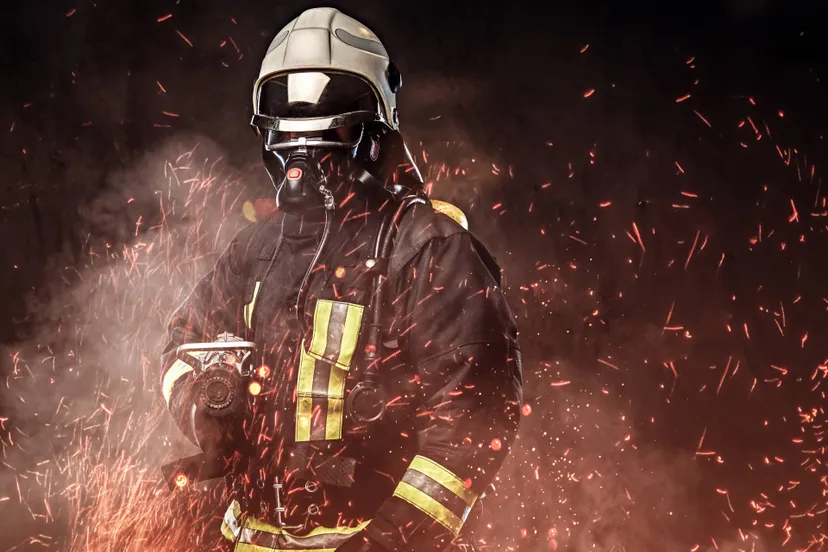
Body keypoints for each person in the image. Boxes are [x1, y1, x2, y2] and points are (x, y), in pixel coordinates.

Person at [159, 7, 523, 552]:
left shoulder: (429, 248)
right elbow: (183, 344)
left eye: (330, 131)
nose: (305, 157)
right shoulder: (257, 248)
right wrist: (208, 412)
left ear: (374, 133)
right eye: (291, 129)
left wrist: (388, 543)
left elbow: (472, 423)